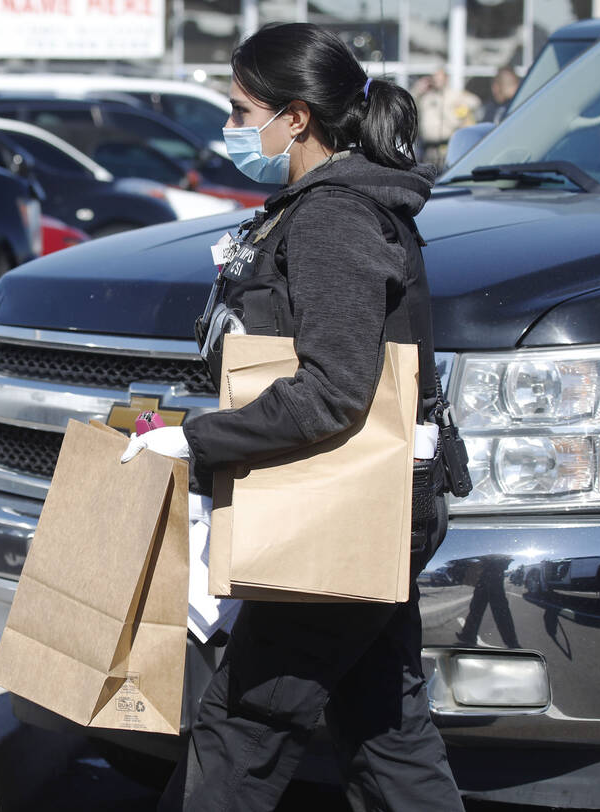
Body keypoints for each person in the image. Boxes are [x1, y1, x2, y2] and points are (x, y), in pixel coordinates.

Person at [119, 22, 465, 811]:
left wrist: (195, 439)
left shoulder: (334, 217)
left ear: (296, 116)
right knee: (386, 729)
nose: (232, 129)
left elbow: (333, 390)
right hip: (377, 504)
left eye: (243, 111)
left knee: (243, 726)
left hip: (345, 508)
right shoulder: (326, 205)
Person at [413, 67, 481, 165]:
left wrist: (455, 108)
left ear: (446, 79)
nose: (436, 81)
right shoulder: (426, 96)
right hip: (428, 148)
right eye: (434, 78)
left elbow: (475, 102)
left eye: (439, 78)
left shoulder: (454, 94)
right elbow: (410, 106)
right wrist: (417, 91)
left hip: (446, 147)